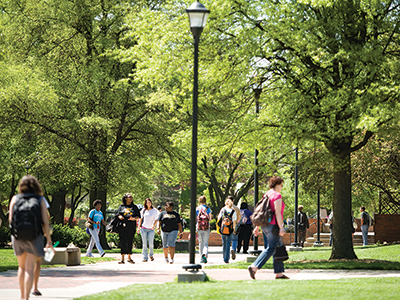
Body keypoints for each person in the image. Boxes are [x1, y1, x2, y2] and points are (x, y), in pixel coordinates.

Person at [9, 175, 53, 300]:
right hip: (35, 236)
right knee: (29, 268)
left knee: (21, 267)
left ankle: (22, 296)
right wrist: (49, 241)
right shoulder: (40, 200)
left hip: (18, 236)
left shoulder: (15, 198)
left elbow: (11, 219)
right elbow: (45, 221)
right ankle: (26, 298)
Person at [248, 176, 289, 279]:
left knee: (277, 247)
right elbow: (278, 213)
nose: (282, 187)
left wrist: (257, 227)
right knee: (271, 248)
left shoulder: (266, 194)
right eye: (281, 185)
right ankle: (254, 267)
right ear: (277, 184)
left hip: (265, 225)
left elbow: (261, 211)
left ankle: (279, 273)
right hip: (273, 225)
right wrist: (281, 227)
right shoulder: (276, 195)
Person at [116, 193, 140, 264]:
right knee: (122, 241)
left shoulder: (134, 207)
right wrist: (119, 216)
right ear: (125, 198)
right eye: (129, 197)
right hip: (122, 226)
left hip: (131, 226)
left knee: (130, 241)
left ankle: (129, 257)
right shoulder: (121, 206)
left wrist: (133, 218)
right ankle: (122, 258)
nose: (131, 198)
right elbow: (117, 214)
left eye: (131, 197)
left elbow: (138, 216)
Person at [217, 198, 237, 264]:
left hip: (223, 228)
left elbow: (219, 218)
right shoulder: (233, 211)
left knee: (224, 243)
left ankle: (224, 256)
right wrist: (234, 229)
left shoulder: (223, 210)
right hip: (230, 229)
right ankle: (226, 258)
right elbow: (234, 221)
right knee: (228, 243)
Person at [196, 196, 211, 263]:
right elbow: (210, 219)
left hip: (199, 227)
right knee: (205, 243)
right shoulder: (208, 209)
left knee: (200, 242)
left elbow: (196, 218)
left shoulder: (197, 208)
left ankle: (201, 258)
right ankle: (205, 254)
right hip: (206, 227)